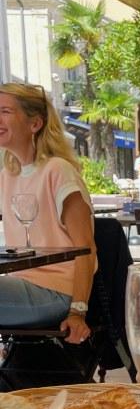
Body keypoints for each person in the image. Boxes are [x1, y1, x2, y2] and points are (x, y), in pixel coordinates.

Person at [0, 83, 95, 343]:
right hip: (18, 284)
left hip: (54, 292)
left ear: (35, 124)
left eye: (6, 111)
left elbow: (86, 249)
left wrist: (78, 311)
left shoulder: (58, 171)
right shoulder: (8, 176)